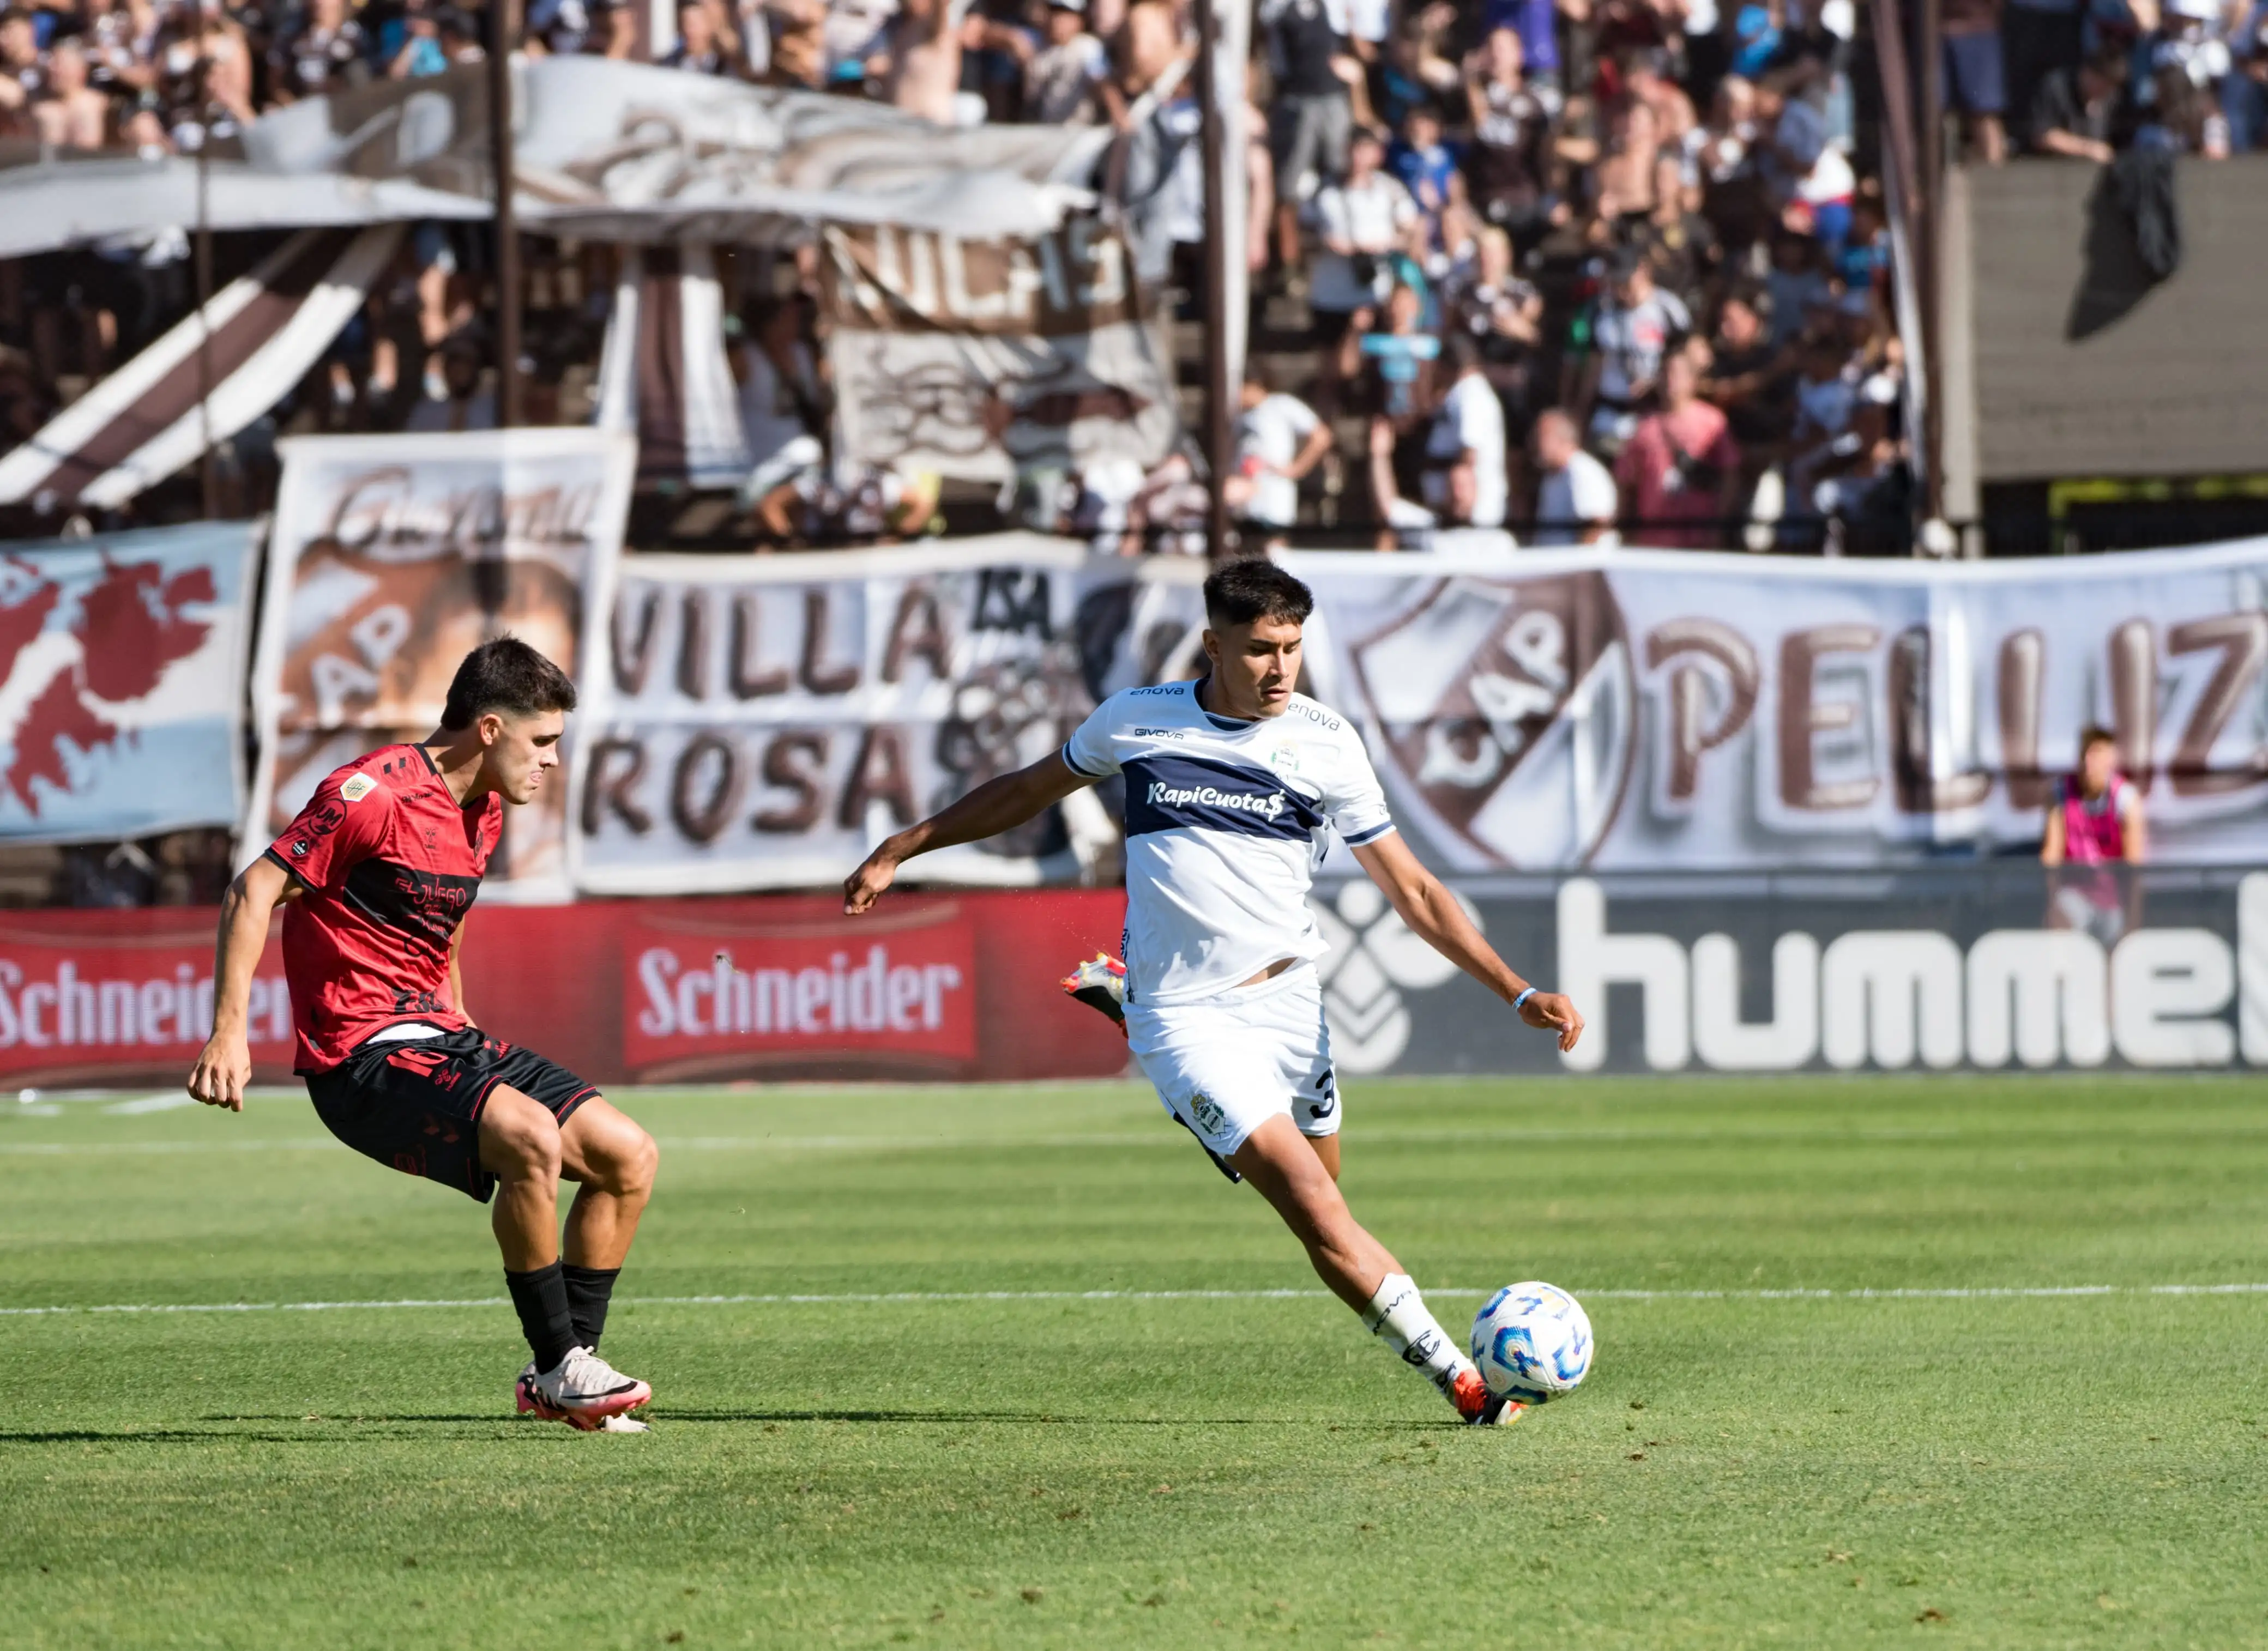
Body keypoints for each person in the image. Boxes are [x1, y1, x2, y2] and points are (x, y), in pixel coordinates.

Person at [844, 560, 1584, 1426]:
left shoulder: (1325, 740)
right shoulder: (1138, 720)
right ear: (1214, 645)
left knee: (1325, 1195)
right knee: (1313, 1206)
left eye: (1293, 647)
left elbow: (1414, 891)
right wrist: (905, 845)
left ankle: (1175, 1070)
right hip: (1186, 1014)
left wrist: (1516, 989)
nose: (1280, 668)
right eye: (1261, 649)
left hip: (1290, 1003)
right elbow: (1026, 791)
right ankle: (1465, 1385)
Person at [185, 638, 659, 1434]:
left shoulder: (487, 810)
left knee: (628, 1157)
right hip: (359, 1054)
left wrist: (459, 1016)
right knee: (530, 1138)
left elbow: (445, 924)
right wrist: (228, 1032)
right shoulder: (369, 793)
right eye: (542, 741)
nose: (551, 760)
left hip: (439, 1037)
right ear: (487, 728)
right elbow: (254, 888)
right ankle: (559, 1366)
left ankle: (568, 1376)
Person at [2041, 723, 2146, 943]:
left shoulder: (2126, 799)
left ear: (2111, 760)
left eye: (2097, 754)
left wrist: (2134, 918)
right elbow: (2051, 854)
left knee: (2117, 952)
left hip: (2114, 900)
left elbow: (2134, 863)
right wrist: (2050, 903)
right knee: (2061, 924)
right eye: (2086, 754)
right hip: (2075, 894)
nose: (2090, 763)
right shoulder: (2061, 795)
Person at [1531, 405, 1618, 545]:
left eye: (1542, 436)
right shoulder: (1551, 476)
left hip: (1578, 564)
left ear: (1561, 438)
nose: (1535, 443)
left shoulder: (1583, 472)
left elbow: (1596, 525)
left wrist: (1579, 563)